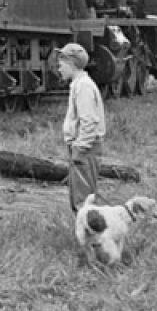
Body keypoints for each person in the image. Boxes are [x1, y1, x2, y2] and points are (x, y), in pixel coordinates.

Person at [57, 42, 104, 213]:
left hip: (85, 148)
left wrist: (80, 146)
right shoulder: (79, 84)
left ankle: (89, 229)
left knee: (83, 202)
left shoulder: (83, 86)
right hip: (81, 146)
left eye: (61, 65)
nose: (59, 69)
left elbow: (89, 120)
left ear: (71, 64)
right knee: (79, 197)